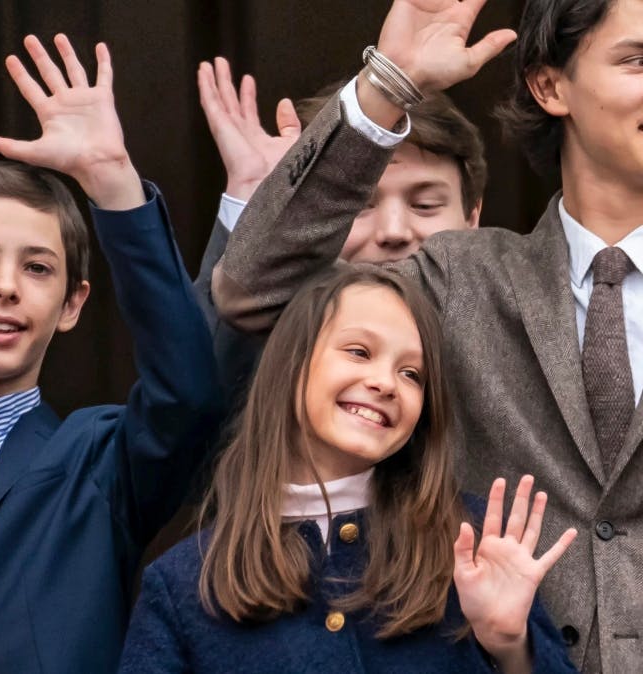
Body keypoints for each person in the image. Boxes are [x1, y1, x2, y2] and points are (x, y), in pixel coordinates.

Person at [210, 0, 643, 670]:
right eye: (638, 60)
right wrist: (388, 85)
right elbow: (252, 284)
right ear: (551, 85)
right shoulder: (460, 277)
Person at [0, 35, 224, 674]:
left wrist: (112, 181)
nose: (5, 285)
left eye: (37, 268)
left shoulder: (97, 463)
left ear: (73, 304)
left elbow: (187, 392)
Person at [120, 267, 577, 673]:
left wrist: (511, 647)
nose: (384, 383)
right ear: (291, 365)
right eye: (359, 352)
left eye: (412, 374)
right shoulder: (184, 580)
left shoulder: (471, 544)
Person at [193, 60, 486, 400]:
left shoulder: (504, 330)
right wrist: (264, 210)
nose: (393, 231)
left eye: (425, 205)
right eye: (361, 206)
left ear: (472, 217)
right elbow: (186, 420)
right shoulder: (275, 333)